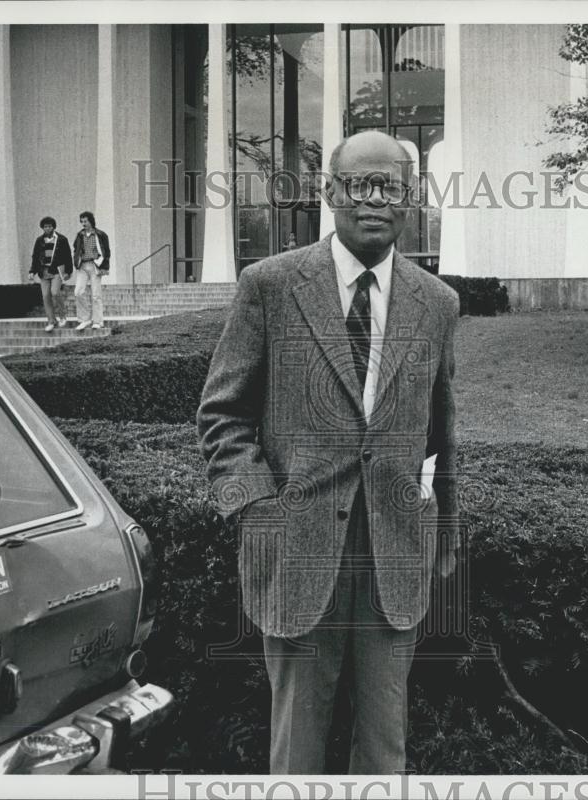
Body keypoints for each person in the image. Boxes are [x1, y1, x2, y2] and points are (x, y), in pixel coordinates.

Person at [197, 131, 460, 775]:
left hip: (394, 557)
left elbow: (441, 431)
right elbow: (222, 415)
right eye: (358, 185)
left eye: (390, 186)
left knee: (384, 747)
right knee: (299, 748)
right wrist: (257, 513)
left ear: (411, 199)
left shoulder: (438, 303)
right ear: (330, 193)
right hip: (295, 555)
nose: (374, 200)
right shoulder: (271, 285)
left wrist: (443, 534)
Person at [29, 216, 74, 332]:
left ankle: (62, 316)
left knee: (55, 292)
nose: (47, 228)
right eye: (45, 227)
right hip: (43, 272)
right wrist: (32, 271)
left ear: (53, 227)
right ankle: (51, 321)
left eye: (49, 226)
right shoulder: (39, 240)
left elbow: (68, 256)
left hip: (56, 271)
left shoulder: (61, 239)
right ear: (42, 228)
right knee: (45, 296)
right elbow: (35, 256)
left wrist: (68, 271)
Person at [72, 211, 110, 331]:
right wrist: (76, 260)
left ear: (91, 221)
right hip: (83, 265)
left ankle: (98, 321)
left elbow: (106, 252)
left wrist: (105, 267)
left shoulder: (100, 234)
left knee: (96, 295)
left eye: (86, 221)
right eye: (82, 221)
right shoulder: (79, 235)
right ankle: (85, 319)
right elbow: (76, 248)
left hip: (95, 265)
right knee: (78, 292)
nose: (84, 224)